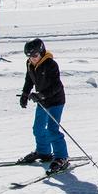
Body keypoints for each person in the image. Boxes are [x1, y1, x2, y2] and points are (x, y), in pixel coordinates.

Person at [18, 38, 70, 172]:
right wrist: (25, 95)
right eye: (29, 56)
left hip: (55, 101)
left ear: (41, 52)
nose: (32, 59)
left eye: (34, 55)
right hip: (42, 101)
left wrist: (41, 95)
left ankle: (62, 157)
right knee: (38, 128)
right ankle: (44, 152)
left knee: (52, 129)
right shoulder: (30, 64)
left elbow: (57, 86)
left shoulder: (51, 64)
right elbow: (29, 79)